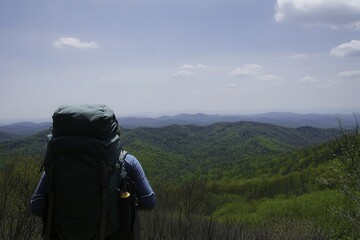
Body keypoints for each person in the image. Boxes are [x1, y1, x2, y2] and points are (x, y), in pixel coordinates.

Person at [30, 104, 156, 240]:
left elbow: (36, 206)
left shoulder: (55, 165)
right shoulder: (127, 162)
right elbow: (149, 202)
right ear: (113, 132)